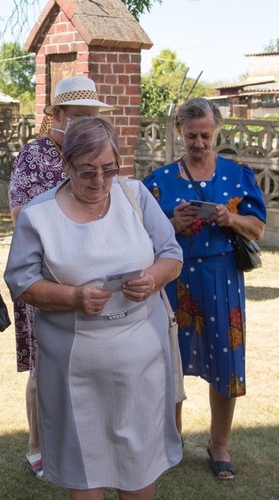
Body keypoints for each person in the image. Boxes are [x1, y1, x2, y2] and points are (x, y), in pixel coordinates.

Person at [5, 117, 183, 499]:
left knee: (141, 461)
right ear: (66, 166)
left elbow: (171, 253)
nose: (100, 181)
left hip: (142, 364)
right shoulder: (39, 216)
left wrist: (153, 277)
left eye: (108, 169)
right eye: (87, 171)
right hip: (76, 370)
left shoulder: (135, 195)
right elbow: (20, 282)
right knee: (85, 464)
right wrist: (73, 297)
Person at [143, 97, 266, 480]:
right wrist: (172, 223)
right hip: (174, 279)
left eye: (205, 135)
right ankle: (171, 440)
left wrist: (230, 217)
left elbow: (258, 227)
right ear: (179, 131)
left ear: (217, 130)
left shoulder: (239, 173)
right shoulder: (158, 181)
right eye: (191, 135)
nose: (198, 142)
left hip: (223, 275)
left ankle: (220, 444)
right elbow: (138, 234)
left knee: (226, 361)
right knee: (170, 363)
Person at [9, 76, 113, 479]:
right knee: (45, 364)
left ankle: (86, 438)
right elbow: (21, 215)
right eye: (80, 115)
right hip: (47, 278)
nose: (88, 122)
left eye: (93, 116)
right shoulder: (35, 154)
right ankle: (38, 445)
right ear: (57, 115)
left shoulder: (98, 152)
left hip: (93, 274)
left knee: (88, 360)